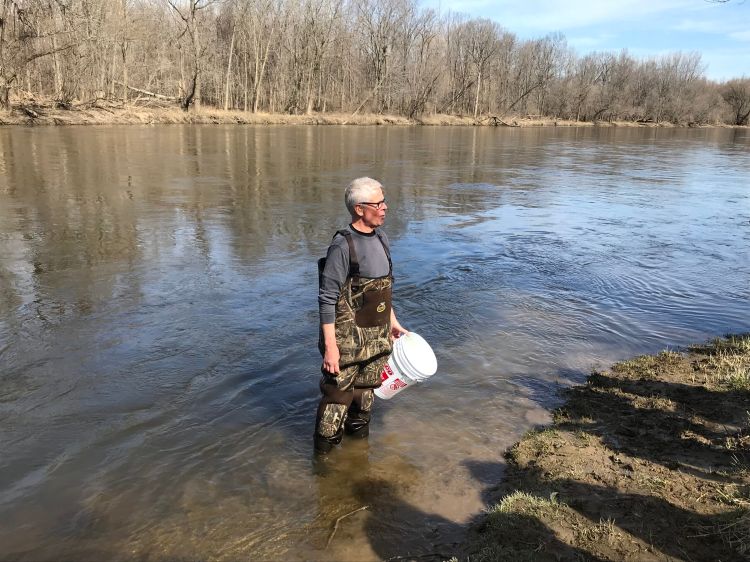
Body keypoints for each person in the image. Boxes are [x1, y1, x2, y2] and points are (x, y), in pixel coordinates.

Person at [314, 177, 408, 454]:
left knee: (364, 400)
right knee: (336, 402)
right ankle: (324, 468)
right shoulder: (342, 247)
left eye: (384, 201)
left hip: (376, 340)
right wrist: (331, 349)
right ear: (359, 209)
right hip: (345, 343)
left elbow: (381, 291)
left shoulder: (382, 238)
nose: (385, 207)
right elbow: (327, 299)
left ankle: (357, 461)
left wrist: (393, 323)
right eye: (378, 203)